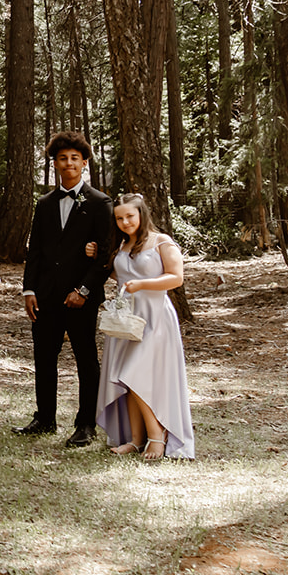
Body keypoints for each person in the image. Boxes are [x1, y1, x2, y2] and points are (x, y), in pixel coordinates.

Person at [16, 131, 114, 447]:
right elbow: (35, 252)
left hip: (81, 299)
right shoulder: (44, 203)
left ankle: (86, 424)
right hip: (45, 295)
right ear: (55, 163)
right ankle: (44, 418)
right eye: (62, 158)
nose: (68, 163)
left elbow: (106, 255)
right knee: (44, 358)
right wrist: (28, 290)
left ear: (84, 163)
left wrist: (83, 290)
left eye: (75, 158)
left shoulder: (100, 203)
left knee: (86, 359)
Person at [97, 193, 194, 459]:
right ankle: (136, 439)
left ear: (142, 214)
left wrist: (143, 285)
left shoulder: (161, 242)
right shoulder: (123, 246)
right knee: (126, 380)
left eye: (130, 216)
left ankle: (158, 437)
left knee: (133, 373)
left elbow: (176, 278)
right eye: (119, 218)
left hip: (154, 317)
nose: (125, 222)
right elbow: (121, 274)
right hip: (126, 320)